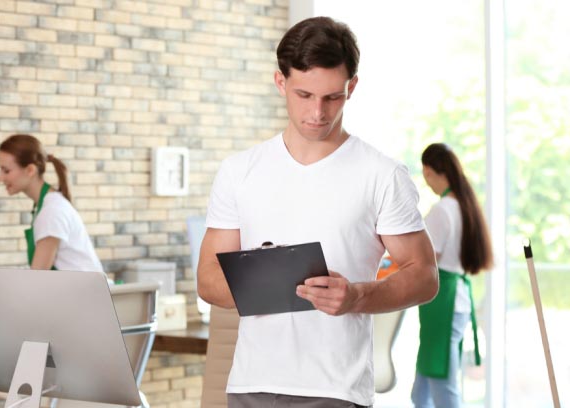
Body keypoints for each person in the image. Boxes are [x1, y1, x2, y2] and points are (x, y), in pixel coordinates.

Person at [196, 17, 439, 408]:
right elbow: (207, 281)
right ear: (281, 83)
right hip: (250, 383)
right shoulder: (239, 171)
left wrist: (357, 296)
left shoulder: (381, 174)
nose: (317, 113)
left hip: (335, 390)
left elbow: (424, 276)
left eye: (332, 97)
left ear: (351, 88)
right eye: (304, 95)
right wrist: (266, 279)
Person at [411, 143, 493, 408]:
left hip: (442, 304)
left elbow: (425, 261)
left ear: (433, 172)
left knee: (443, 385)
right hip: (451, 299)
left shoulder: (442, 210)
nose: (428, 184)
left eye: (427, 178)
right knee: (421, 390)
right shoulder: (462, 205)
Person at [0, 134, 103, 272]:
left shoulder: (52, 211)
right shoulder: (47, 206)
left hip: (85, 292)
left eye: (6, 171)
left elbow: (38, 278)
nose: (0, 178)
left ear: (30, 170)